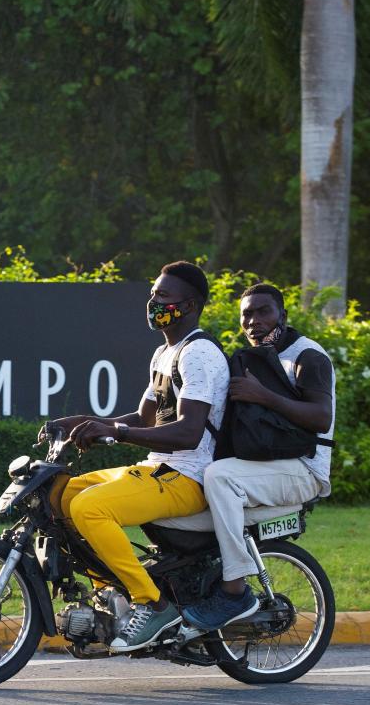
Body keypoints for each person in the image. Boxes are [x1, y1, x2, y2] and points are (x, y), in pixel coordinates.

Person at [46, 261, 229, 653]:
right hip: (158, 469)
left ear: (191, 304)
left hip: (188, 476)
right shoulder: (164, 353)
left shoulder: (198, 353)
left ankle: (154, 603)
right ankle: (110, 592)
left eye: (163, 296)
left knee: (91, 508)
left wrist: (117, 433)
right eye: (153, 293)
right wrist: (84, 423)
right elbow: (142, 418)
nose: (153, 301)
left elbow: (189, 430)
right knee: (62, 493)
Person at [182, 283, 336, 630]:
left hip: (304, 469)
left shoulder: (307, 356)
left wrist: (264, 395)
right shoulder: (251, 359)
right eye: (246, 315)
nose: (254, 321)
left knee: (220, 477)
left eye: (263, 311)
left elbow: (320, 417)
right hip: (264, 466)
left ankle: (234, 590)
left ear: (283, 314)